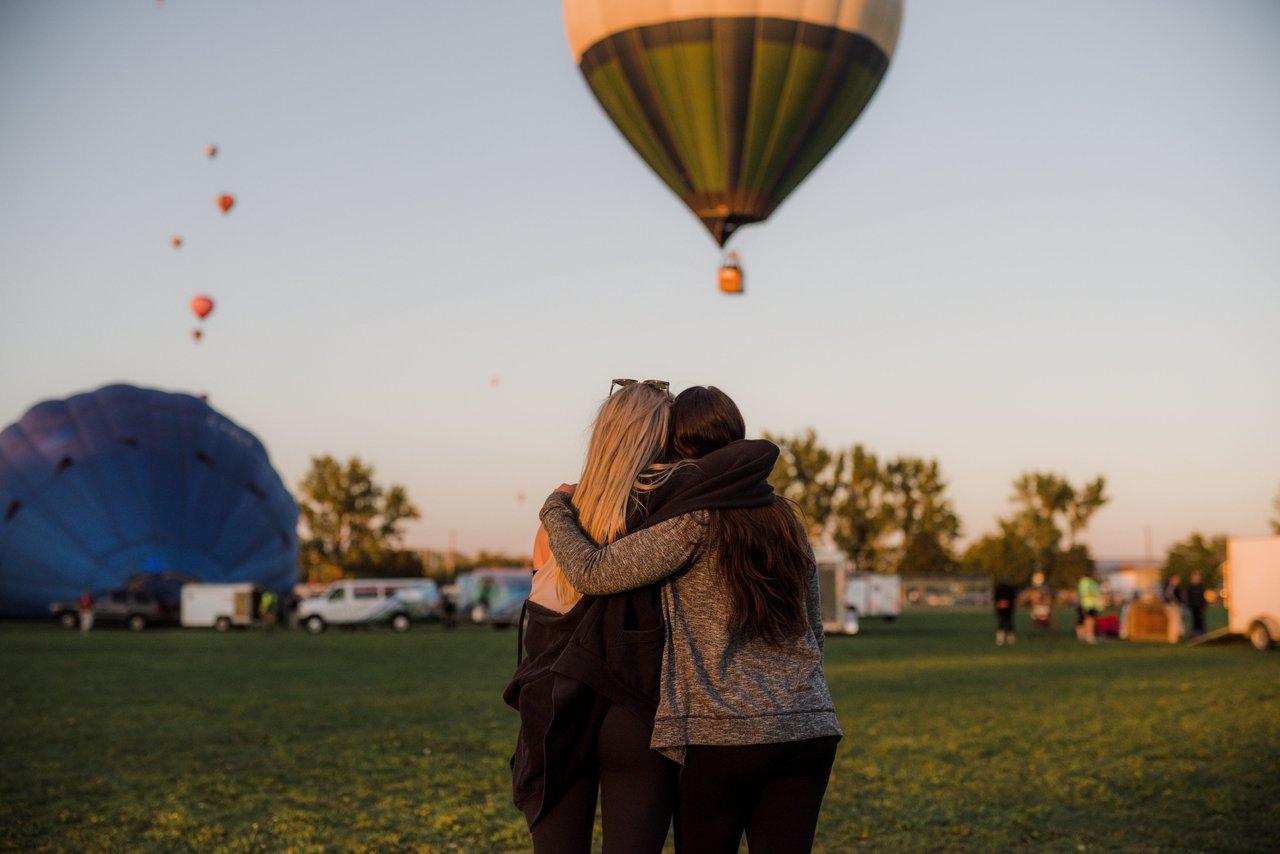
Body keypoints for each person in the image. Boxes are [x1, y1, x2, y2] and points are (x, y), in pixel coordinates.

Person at [541, 386, 841, 854]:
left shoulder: (694, 521)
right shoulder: (786, 516)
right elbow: (814, 626)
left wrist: (556, 508)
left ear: (677, 446)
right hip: (810, 727)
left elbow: (592, 571)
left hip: (722, 734)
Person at [506, 380, 683, 853]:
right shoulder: (669, 518)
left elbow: (545, 624)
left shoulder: (557, 519)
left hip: (554, 708)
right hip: (634, 707)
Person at [1076, 569, 1101, 643]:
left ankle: (1085, 635)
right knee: (1088, 620)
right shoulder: (1086, 581)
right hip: (1086, 604)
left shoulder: (1093, 582)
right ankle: (1088, 636)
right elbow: (1085, 592)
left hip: (1092, 604)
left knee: (1088, 620)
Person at [994, 579, 1017, 645]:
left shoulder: (1007, 590)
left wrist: (1005, 603)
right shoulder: (1006, 589)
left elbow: (1013, 598)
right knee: (1003, 622)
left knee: (1007, 622)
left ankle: (1007, 638)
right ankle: (1003, 638)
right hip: (1003, 608)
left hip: (1008, 608)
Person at [1163, 573, 1185, 643]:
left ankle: (1176, 636)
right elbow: (1168, 597)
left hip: (1173, 606)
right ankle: (1173, 638)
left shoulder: (1172, 587)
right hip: (1171, 606)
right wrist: (1175, 602)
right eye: (1176, 579)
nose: (1177, 581)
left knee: (1176, 622)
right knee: (1174, 622)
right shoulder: (1170, 587)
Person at [1186, 571, 1207, 638]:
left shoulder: (1201, 586)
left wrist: (1203, 605)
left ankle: (1201, 635)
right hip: (1193, 607)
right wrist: (1189, 605)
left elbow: (1203, 597)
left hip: (1200, 607)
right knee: (1194, 622)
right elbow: (1188, 597)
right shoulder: (1190, 587)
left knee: (1200, 621)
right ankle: (1195, 635)